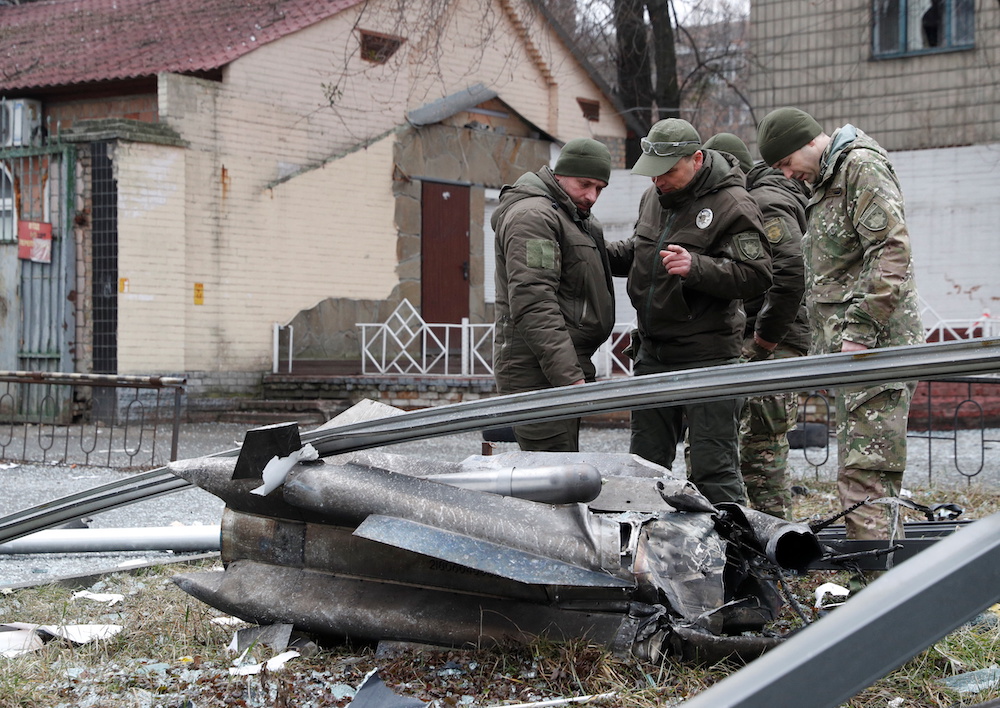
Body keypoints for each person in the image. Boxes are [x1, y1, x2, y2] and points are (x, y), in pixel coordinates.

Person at [756, 107, 925, 539]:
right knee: (862, 471)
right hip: (856, 354)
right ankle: (878, 566)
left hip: (875, 349)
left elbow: (890, 251)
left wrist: (860, 332)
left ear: (807, 142)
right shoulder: (829, 179)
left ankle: (876, 575)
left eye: (786, 162)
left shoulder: (860, 168)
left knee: (866, 474)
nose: (787, 175)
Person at [606, 119, 772, 505]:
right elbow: (642, 251)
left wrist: (696, 267)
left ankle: (731, 542)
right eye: (652, 172)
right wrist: (598, 251)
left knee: (714, 470)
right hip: (653, 353)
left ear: (696, 159)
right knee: (644, 467)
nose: (658, 181)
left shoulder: (733, 203)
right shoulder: (653, 197)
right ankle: (646, 540)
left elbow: (757, 275)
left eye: (667, 172)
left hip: (707, 357)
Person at [702, 133, 810, 520]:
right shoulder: (763, 196)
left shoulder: (763, 202)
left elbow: (791, 272)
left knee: (759, 455)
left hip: (773, 342)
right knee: (758, 450)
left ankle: (776, 543)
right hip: (771, 337)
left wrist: (763, 338)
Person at [491, 138, 615, 452]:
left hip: (558, 369)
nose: (591, 196)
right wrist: (569, 377)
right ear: (560, 175)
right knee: (549, 469)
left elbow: (594, 258)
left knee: (562, 467)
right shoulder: (534, 217)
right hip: (539, 374)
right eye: (584, 184)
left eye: (599, 189)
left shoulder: (569, 214)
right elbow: (534, 302)